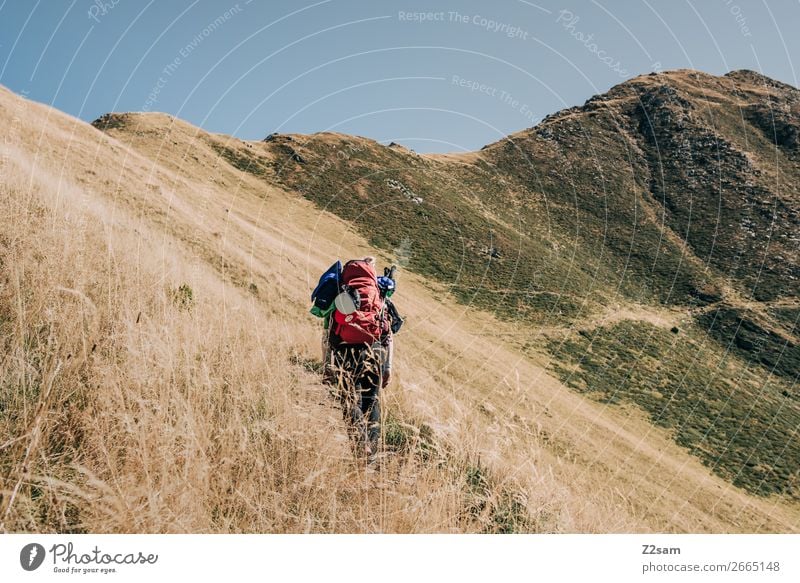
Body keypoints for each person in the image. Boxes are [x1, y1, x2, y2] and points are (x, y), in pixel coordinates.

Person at [321, 257, 403, 463]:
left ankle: (360, 445)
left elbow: (327, 335)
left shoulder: (341, 295)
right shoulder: (380, 297)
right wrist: (388, 367)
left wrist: (326, 365)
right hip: (375, 351)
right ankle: (372, 456)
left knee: (349, 400)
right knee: (371, 401)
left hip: (344, 351)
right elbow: (388, 335)